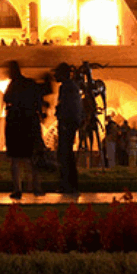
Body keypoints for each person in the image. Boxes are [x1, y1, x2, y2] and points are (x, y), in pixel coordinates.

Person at [3, 60, 50, 199]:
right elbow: (44, 91)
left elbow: (7, 99)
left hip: (16, 126)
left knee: (16, 160)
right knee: (32, 158)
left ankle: (18, 189)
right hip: (29, 124)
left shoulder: (13, 86)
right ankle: (36, 187)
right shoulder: (29, 84)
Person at [55, 62, 82, 194]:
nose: (55, 75)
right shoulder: (70, 86)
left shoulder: (67, 87)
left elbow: (68, 106)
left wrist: (65, 122)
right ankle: (69, 184)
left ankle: (68, 185)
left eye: (57, 73)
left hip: (67, 124)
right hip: (68, 123)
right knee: (66, 154)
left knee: (65, 154)